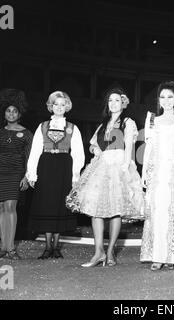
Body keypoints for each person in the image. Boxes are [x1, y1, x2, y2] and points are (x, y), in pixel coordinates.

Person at [66, 87, 144, 267]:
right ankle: (98, 252)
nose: (113, 103)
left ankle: (111, 252)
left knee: (116, 210)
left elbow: (129, 147)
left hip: (119, 166)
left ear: (123, 103)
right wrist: (94, 149)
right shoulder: (103, 123)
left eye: (117, 100)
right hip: (101, 166)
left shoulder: (127, 122)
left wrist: (126, 167)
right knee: (96, 209)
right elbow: (93, 145)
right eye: (110, 100)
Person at [140, 80, 174, 271]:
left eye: (170, 97)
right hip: (157, 173)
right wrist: (144, 171)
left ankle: (172, 255)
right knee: (157, 212)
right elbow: (149, 148)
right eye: (162, 97)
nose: (166, 100)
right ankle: (157, 255)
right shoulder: (152, 119)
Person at [27, 91, 85, 259]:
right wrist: (32, 173)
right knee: (47, 203)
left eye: (62, 104)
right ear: (50, 106)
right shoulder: (43, 126)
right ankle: (47, 246)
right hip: (45, 166)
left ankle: (56, 246)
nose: (59, 107)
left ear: (66, 107)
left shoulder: (72, 128)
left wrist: (75, 176)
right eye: (56, 104)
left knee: (60, 204)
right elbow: (35, 150)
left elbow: (79, 153)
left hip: (64, 167)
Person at [0, 89, 33, 260]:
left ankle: (11, 248)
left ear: (19, 114)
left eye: (14, 111)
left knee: (10, 207)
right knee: (1, 209)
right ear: (4, 113)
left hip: (15, 174)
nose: (11, 114)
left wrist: (27, 176)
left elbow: (30, 157)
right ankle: (3, 247)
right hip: (0, 173)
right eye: (8, 110)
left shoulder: (27, 134)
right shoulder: (0, 132)